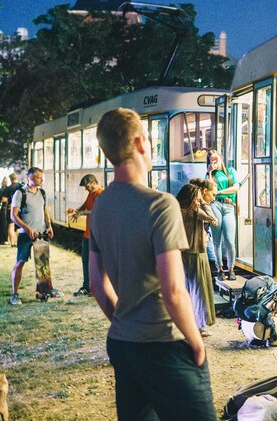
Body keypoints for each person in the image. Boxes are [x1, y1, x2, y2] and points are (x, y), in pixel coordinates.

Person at [88, 108, 216, 420]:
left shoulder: (100, 206)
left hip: (122, 343)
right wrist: (195, 340)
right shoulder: (161, 204)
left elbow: (96, 284)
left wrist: (124, 322)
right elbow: (173, 290)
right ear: (139, 143)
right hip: (165, 344)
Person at [9, 167, 59, 305]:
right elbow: (13, 216)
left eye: (42, 177)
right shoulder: (20, 193)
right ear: (30, 178)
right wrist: (27, 228)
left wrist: (49, 226)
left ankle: (43, 292)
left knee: (43, 263)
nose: (42, 180)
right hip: (26, 235)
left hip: (41, 233)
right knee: (20, 263)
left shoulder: (42, 193)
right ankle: (14, 294)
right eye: (39, 177)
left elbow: (45, 212)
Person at [177, 179, 218, 337]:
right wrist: (202, 202)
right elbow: (211, 217)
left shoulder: (176, 209)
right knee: (199, 289)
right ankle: (198, 325)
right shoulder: (194, 211)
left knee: (187, 288)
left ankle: (185, 323)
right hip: (196, 252)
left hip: (181, 252)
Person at [206, 149, 242, 281]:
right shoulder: (210, 175)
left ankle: (231, 268)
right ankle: (219, 268)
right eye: (212, 160)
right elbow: (209, 190)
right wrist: (209, 172)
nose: (215, 162)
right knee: (217, 240)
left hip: (228, 205)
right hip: (215, 205)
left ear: (221, 158)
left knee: (230, 240)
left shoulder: (231, 171)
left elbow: (236, 188)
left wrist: (219, 191)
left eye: (216, 159)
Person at [66, 174, 104, 297]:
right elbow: (85, 205)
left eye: (87, 186)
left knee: (96, 262)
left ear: (94, 183)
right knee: (86, 260)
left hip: (97, 235)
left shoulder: (100, 194)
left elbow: (96, 211)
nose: (85, 189)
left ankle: (98, 287)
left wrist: (81, 212)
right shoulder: (91, 193)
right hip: (88, 233)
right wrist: (76, 210)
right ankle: (87, 286)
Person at [0, 173, 22, 247]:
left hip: (11, 209)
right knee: (19, 226)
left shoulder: (8, 188)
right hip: (20, 209)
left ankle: (12, 243)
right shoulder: (21, 186)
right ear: (17, 178)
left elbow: (3, 200)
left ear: (10, 179)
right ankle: (20, 242)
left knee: (11, 226)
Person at [0, 177, 11, 244]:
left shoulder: (8, 189)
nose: (6, 183)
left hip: (7, 206)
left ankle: (5, 239)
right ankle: (1, 239)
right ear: (2, 182)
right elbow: (1, 198)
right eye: (4, 181)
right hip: (2, 207)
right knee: (2, 223)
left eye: (6, 181)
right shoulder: (0, 190)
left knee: (6, 223)